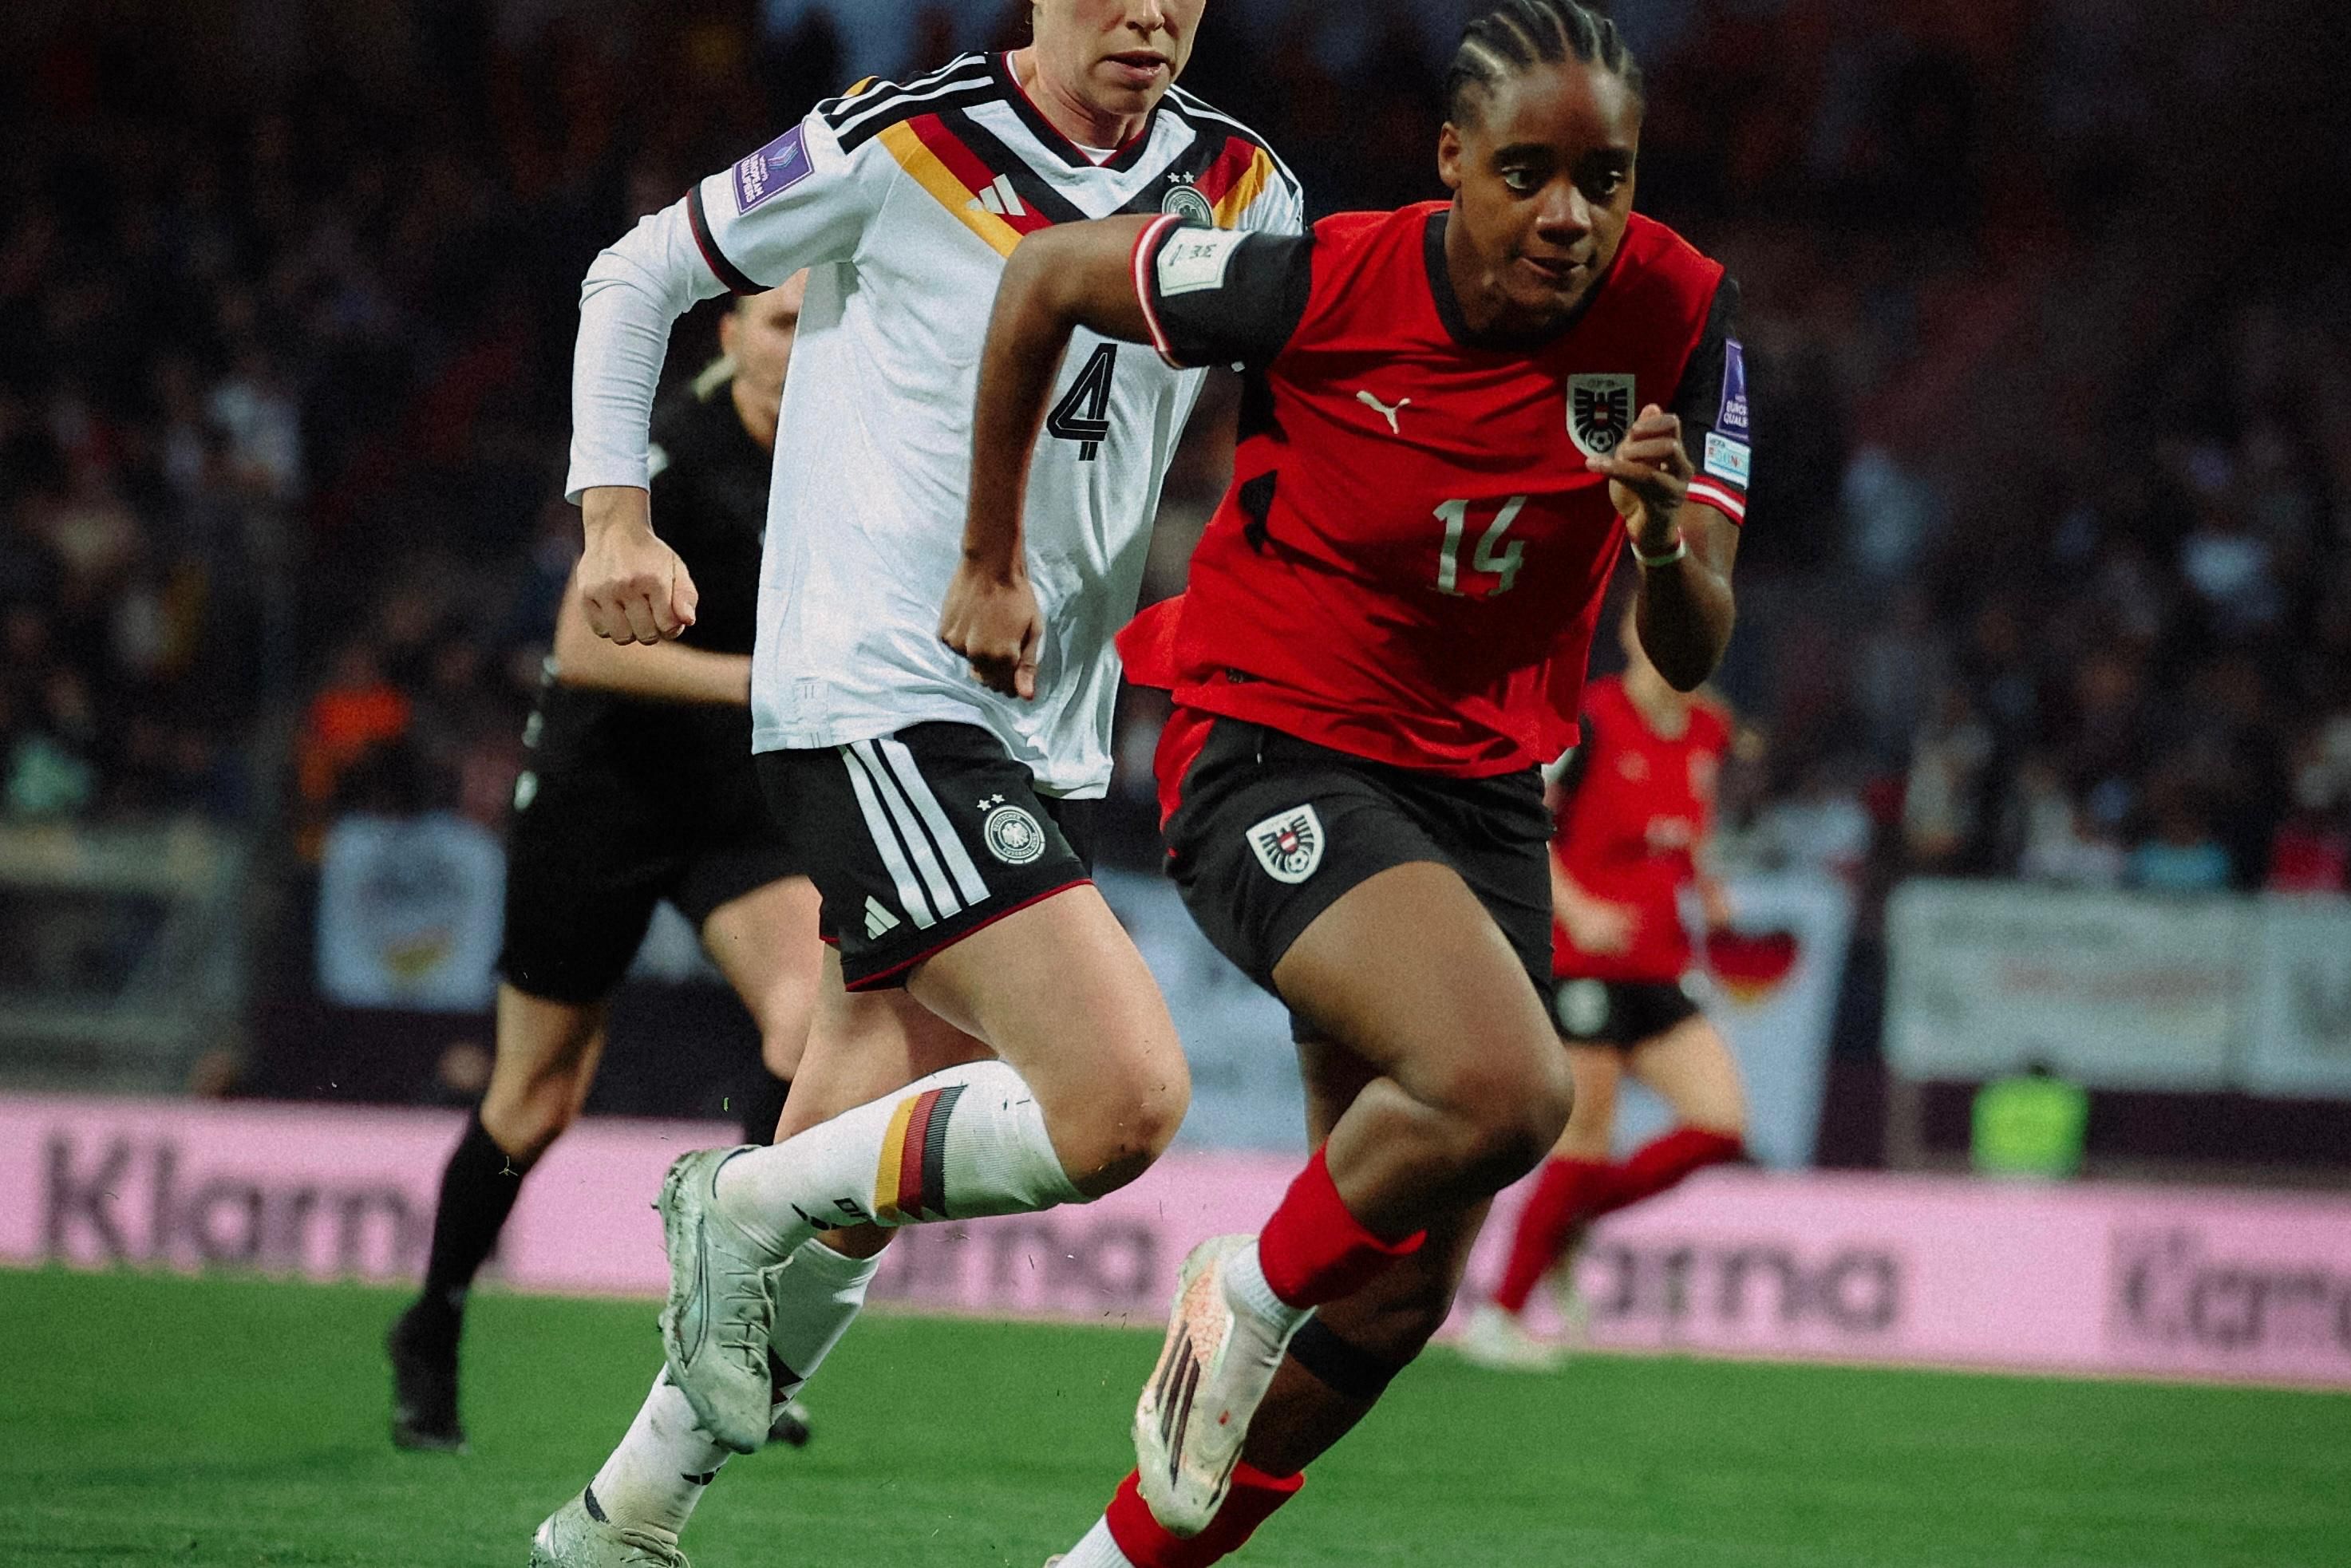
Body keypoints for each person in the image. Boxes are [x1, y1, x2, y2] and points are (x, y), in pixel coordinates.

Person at [952, 2, 1749, 1558]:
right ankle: (1239, 1289)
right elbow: (1046, 276)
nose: (1572, 214)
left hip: (1482, 788)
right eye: (1529, 172)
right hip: (1273, 742)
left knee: (1397, 1284)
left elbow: (1695, 635)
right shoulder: (1315, 279)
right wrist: (990, 557)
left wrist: (1657, 536)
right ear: (1454, 161)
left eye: (1609, 176)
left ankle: (1110, 1559)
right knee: (1505, 1087)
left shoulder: (1688, 318)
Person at [531, 4, 1302, 1561]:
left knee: (856, 1153)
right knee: (1125, 1098)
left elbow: (1304, 408)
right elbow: (641, 274)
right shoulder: (907, 141)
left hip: (1043, 731)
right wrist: (617, 518)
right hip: (871, 696)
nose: (1149, 13)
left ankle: (621, 1519)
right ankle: (731, 1206)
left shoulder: (1243, 188)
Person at [386, 280, 824, 1453]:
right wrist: (766, 683)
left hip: (734, 798)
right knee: (538, 1099)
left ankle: (729, 1332)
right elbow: (585, 645)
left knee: (807, 1026)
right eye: (778, 323)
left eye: (820, 323)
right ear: (730, 338)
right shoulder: (671, 454)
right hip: (604, 790)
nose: (798, 346)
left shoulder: (842, 447)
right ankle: (431, 1324)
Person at [1461, 599, 1748, 1372]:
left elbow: (1698, 826)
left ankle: (1567, 1223)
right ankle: (1500, 1315)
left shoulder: (1709, 733)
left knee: (1721, 1123)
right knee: (1584, 1140)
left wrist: (1711, 889)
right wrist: (1579, 908)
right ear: (1631, 636)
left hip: (1659, 963)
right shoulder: (1587, 722)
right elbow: (1521, 820)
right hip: (1582, 963)